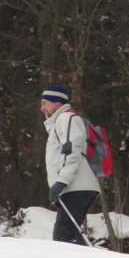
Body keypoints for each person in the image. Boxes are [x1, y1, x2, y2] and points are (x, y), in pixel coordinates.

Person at [40, 84, 100, 245]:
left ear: (57, 102)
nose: (42, 108)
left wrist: (61, 182)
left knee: (65, 236)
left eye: (45, 103)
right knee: (65, 235)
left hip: (77, 186)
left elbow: (71, 152)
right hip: (73, 187)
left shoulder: (67, 119)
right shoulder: (61, 121)